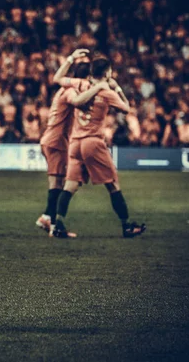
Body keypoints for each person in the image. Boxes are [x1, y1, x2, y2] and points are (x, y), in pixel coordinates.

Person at [51, 56, 146, 239]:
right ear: (108, 72)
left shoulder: (79, 85)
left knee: (70, 186)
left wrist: (70, 59)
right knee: (113, 185)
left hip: (75, 143)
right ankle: (126, 226)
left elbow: (57, 79)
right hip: (92, 143)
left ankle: (58, 224)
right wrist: (117, 87)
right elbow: (126, 108)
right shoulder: (106, 92)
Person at [36, 48, 91, 232]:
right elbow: (78, 102)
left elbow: (58, 77)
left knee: (58, 183)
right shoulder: (70, 92)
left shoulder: (64, 88)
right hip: (55, 142)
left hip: (54, 140)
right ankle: (52, 224)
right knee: (57, 184)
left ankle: (47, 217)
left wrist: (70, 59)